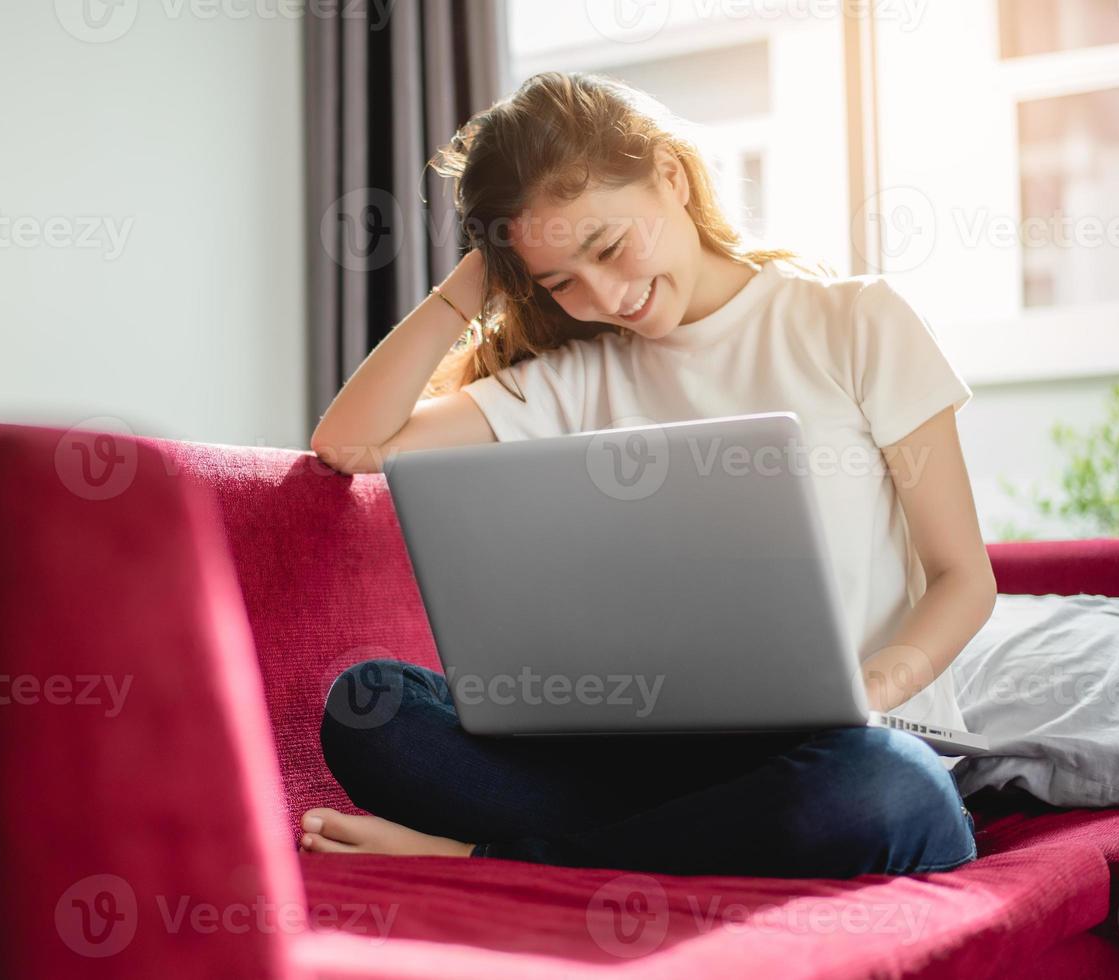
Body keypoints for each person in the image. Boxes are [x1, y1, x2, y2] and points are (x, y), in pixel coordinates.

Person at [304, 71, 996, 878]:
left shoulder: (853, 322)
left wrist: (868, 693)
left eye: (607, 246)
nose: (605, 295)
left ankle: (497, 857)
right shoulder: (575, 375)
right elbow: (350, 444)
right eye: (562, 280)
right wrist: (481, 272)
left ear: (670, 176)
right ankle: (640, 846)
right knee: (370, 709)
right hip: (643, 765)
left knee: (885, 794)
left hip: (843, 755)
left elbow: (963, 579)